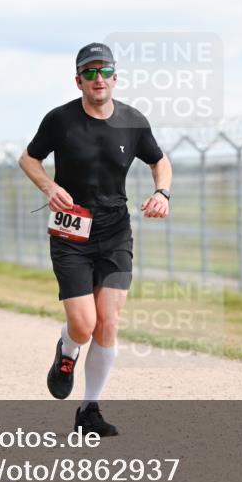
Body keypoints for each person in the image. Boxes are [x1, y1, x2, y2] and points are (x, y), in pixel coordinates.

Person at [18, 42, 172, 437]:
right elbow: (29, 158)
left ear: (116, 78)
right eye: (89, 72)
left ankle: (89, 410)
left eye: (104, 71)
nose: (97, 78)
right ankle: (67, 351)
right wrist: (48, 186)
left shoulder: (133, 121)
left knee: (109, 323)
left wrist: (161, 192)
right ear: (78, 80)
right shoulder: (60, 120)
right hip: (71, 232)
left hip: (115, 231)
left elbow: (159, 160)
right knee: (84, 325)